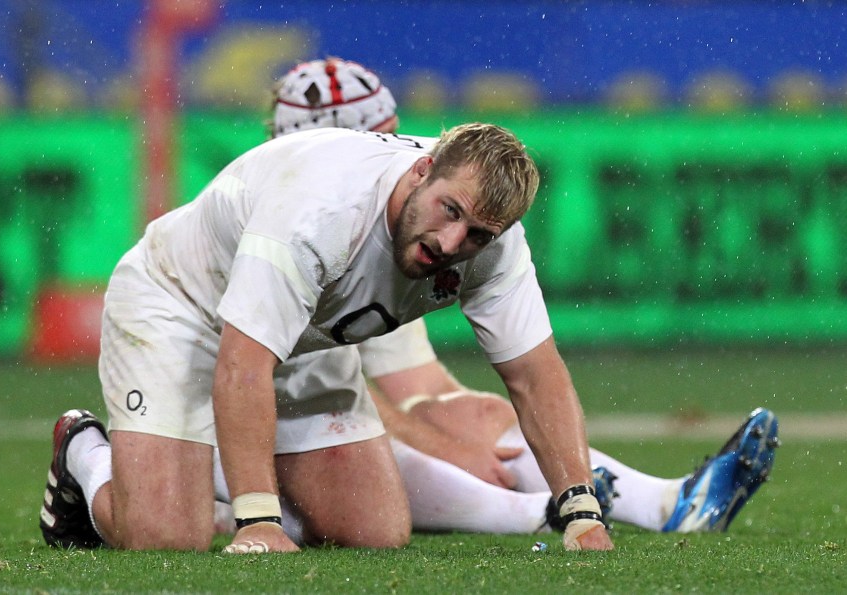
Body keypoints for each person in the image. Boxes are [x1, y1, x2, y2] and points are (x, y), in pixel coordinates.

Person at [39, 104, 616, 554]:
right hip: (182, 303)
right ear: (421, 170)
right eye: (449, 210)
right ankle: (87, 453)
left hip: (304, 327)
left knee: (374, 530)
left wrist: (582, 510)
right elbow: (243, 364)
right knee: (167, 536)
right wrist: (258, 523)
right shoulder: (321, 211)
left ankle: (188, 463)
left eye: (476, 235)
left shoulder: (494, 245)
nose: (450, 245)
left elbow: (536, 378)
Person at [238, 57, 779, 536]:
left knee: (470, 412)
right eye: (376, 138)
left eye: (393, 134)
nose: (393, 153)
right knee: (356, 444)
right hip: (229, 399)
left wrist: (459, 435)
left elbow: (420, 386)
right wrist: (441, 449)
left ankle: (662, 504)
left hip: (306, 386)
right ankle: (532, 513)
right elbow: (290, 385)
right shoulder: (295, 220)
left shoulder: (407, 222)